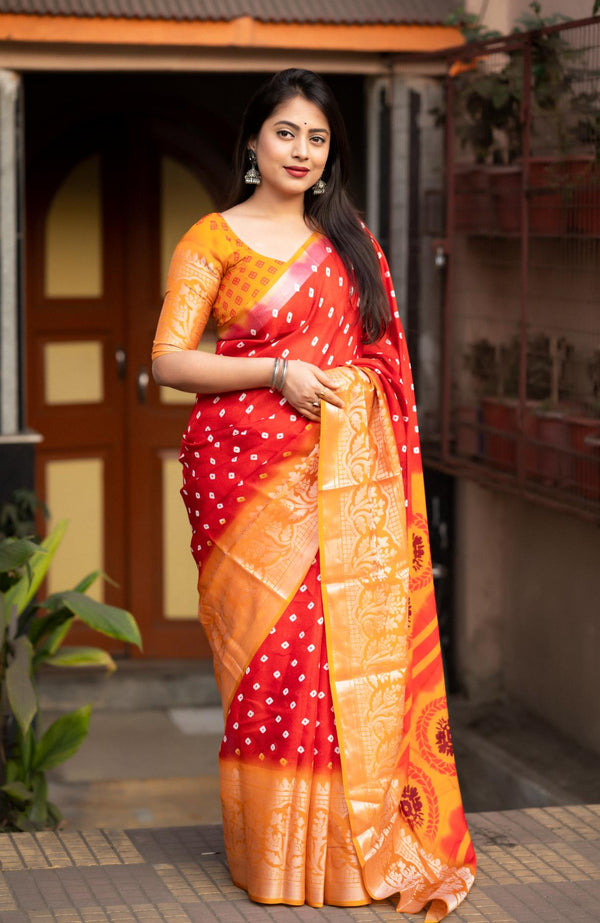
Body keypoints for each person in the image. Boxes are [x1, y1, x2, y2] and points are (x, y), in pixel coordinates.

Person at [152, 68, 475, 920]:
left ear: (330, 155)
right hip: (242, 481)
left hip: (345, 485)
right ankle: (273, 854)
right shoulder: (211, 240)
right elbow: (170, 360)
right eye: (287, 133)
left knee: (337, 669)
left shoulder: (351, 244)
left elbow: (383, 368)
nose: (301, 151)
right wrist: (278, 369)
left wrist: (338, 397)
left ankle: (343, 856)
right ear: (253, 143)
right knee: (268, 669)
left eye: (318, 138)